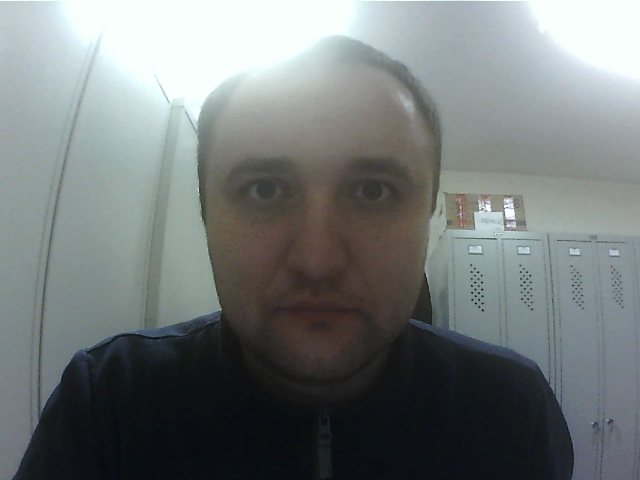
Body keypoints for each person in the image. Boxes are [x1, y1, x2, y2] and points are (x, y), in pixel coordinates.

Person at [14, 35, 573, 479]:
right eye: (264, 190)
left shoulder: (511, 409)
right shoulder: (108, 401)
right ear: (207, 214)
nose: (317, 260)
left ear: (427, 214)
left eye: (372, 191)